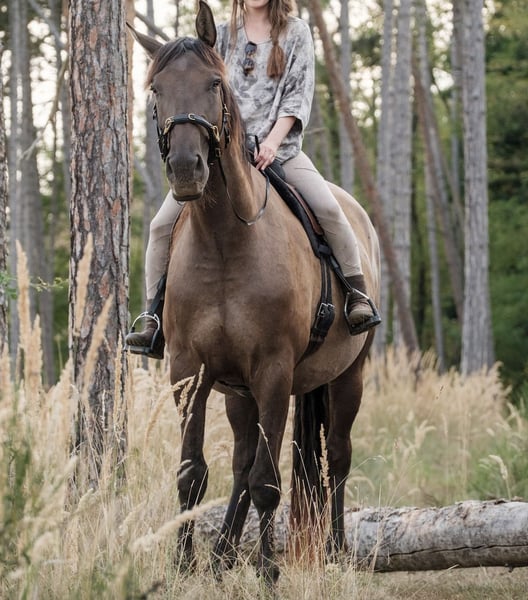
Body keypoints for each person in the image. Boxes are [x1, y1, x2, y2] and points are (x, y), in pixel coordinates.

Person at [126, 0, 380, 359]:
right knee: (159, 226)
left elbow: (296, 97)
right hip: (223, 156)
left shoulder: (296, 33)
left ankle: (356, 293)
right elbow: (197, 88)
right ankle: (153, 317)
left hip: (281, 152)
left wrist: (272, 143)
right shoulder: (219, 36)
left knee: (330, 210)